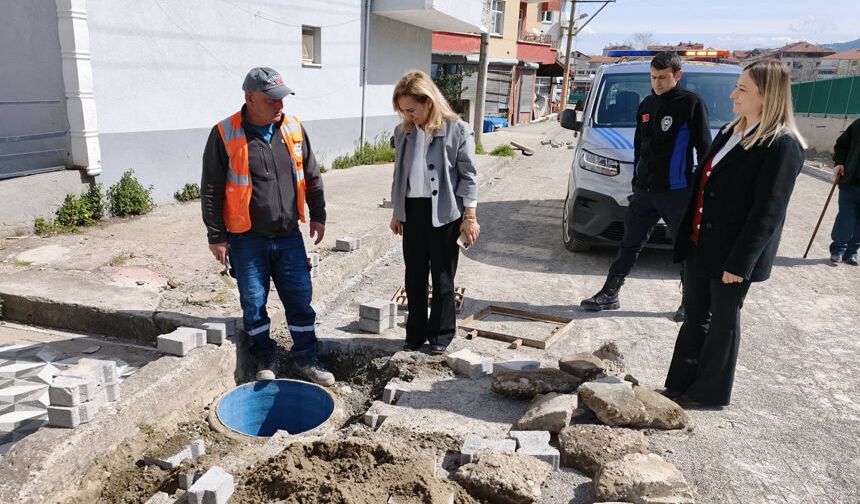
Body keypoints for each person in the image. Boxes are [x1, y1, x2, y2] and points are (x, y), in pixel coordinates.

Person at [663, 59, 806, 407]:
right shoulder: (731, 131)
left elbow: (767, 213)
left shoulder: (782, 145)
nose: (732, 95)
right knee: (696, 315)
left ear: (766, 96)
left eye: (742, 89)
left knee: (722, 325)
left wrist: (740, 263)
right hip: (703, 244)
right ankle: (679, 385)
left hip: (731, 255)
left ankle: (707, 393)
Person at [201, 67, 334, 386]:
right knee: (253, 301)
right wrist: (216, 236)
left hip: (289, 235)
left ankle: (306, 358)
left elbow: (312, 175)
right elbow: (211, 189)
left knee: (300, 298)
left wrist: (318, 213)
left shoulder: (293, 128)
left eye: (282, 99)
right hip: (247, 239)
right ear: (250, 98)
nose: (280, 106)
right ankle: (265, 354)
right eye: (272, 100)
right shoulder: (225, 133)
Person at [581, 52, 711, 322]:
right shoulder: (647, 105)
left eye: (663, 78)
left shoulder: (691, 104)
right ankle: (610, 293)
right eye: (653, 77)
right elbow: (640, 147)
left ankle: (690, 302)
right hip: (644, 191)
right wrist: (636, 181)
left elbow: (704, 148)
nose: (658, 83)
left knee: (685, 247)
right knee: (629, 242)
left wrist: (698, 187)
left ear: (677, 76)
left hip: (676, 191)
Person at [389, 71, 480, 354]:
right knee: (414, 277)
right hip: (413, 211)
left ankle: (441, 334)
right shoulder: (403, 132)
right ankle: (414, 334)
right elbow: (399, 174)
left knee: (442, 278)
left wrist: (470, 217)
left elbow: (469, 176)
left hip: (444, 212)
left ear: (428, 102)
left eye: (411, 109)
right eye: (403, 110)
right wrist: (397, 212)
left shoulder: (457, 129)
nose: (407, 115)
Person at [828, 117, 860, 266]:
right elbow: (842, 145)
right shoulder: (858, 125)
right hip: (850, 182)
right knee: (846, 218)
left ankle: (852, 252)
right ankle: (838, 250)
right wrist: (839, 162)